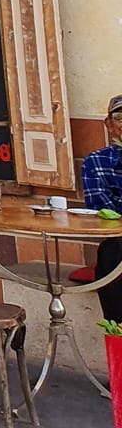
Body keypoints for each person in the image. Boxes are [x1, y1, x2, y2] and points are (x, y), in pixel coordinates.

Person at [80, 93, 122, 321]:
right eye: (119, 117)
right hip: (118, 245)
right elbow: (102, 211)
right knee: (113, 251)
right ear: (109, 125)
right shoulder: (96, 161)